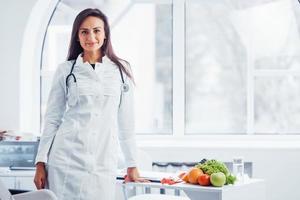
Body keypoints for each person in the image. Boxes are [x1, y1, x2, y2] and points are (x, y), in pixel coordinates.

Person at [34, 8, 147, 200]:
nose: (91, 37)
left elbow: (126, 124)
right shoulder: (65, 70)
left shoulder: (121, 70)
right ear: (77, 36)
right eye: (84, 31)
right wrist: (40, 163)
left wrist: (132, 165)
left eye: (96, 30)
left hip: (102, 162)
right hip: (65, 159)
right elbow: (52, 119)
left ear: (105, 34)